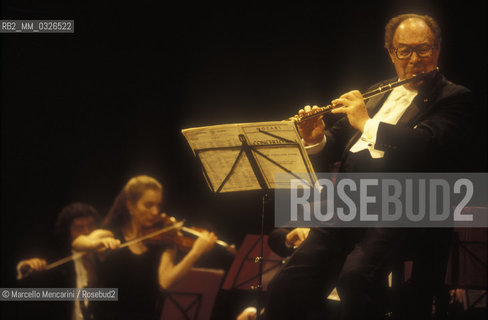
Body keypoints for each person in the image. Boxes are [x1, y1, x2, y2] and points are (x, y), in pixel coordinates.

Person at [265, 14, 472, 320]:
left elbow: (424, 146)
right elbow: (335, 142)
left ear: (437, 50)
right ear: (391, 53)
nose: (414, 59)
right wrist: (315, 138)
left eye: (424, 49)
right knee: (287, 285)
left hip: (401, 208)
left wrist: (365, 122)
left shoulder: (453, 97)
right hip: (345, 205)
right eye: (404, 50)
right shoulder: (381, 91)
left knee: (355, 279)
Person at [73, 175, 218, 320]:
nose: (155, 212)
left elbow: (166, 281)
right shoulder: (111, 235)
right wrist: (96, 244)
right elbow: (78, 242)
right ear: (130, 205)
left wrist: (196, 252)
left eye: (158, 205)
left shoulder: (163, 241)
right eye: (148, 205)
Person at [16, 202, 118, 320]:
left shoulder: (104, 256)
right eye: (79, 228)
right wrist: (26, 266)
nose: (87, 232)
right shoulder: (60, 259)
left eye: (91, 225)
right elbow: (25, 275)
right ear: (68, 232)